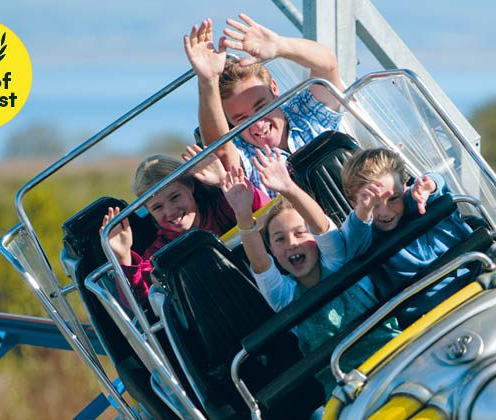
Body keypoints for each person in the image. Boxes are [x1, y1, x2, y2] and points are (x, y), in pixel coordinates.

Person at [220, 147, 397, 391]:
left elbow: (321, 226)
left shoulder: (338, 261)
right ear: (272, 250)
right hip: (345, 384)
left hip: (393, 354)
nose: (292, 243)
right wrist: (242, 213)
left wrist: (288, 188)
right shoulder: (284, 298)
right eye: (280, 239)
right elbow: (260, 263)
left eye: (300, 233)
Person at [340, 147, 496, 322]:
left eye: (393, 198)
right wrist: (363, 212)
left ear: (404, 187)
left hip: (478, 275)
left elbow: (436, 182)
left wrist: (429, 186)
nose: (385, 211)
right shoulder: (364, 233)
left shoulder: (416, 201)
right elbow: (354, 235)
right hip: (431, 311)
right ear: (353, 203)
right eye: (373, 204)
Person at [183, 14, 345, 196]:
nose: (258, 125)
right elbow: (220, 150)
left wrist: (280, 46)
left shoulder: (305, 111)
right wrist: (208, 80)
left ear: (274, 88)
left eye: (261, 108)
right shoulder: (243, 152)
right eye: (242, 119)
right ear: (229, 121)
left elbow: (328, 66)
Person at [101, 147, 270, 304]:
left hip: (264, 289)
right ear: (148, 211)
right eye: (157, 207)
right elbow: (141, 300)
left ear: (190, 186)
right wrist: (122, 257)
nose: (170, 211)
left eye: (175, 197)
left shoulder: (222, 206)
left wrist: (223, 182)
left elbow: (265, 215)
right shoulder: (159, 252)